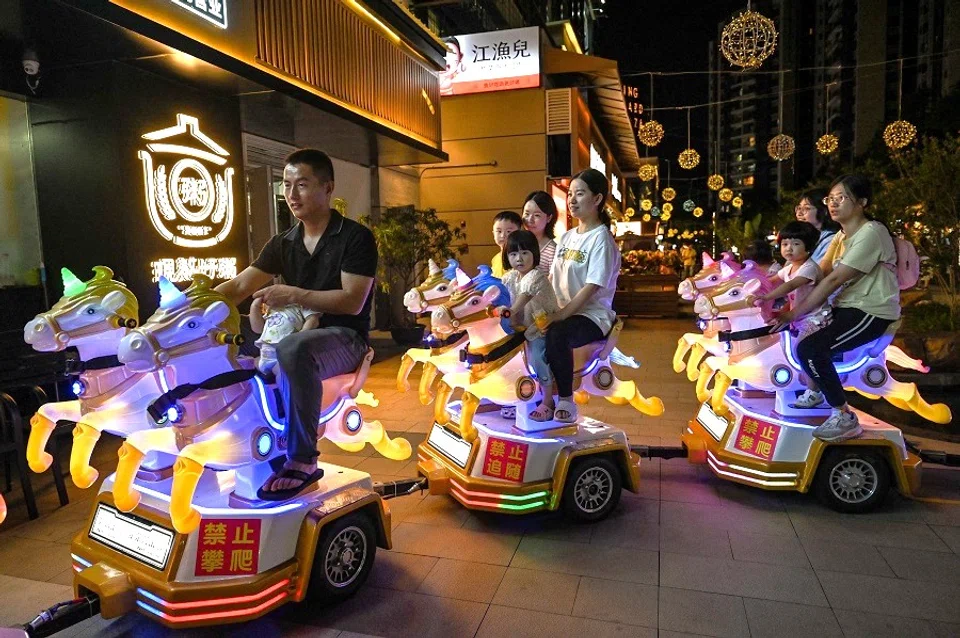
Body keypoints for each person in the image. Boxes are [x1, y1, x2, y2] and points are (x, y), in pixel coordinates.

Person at [215, 149, 377, 499]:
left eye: (302, 185)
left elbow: (352, 300)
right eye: (286, 185)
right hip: (298, 336)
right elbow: (239, 287)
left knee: (292, 347)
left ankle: (303, 459)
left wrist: (294, 295)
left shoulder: (354, 237)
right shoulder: (283, 243)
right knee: (239, 351)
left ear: (327, 187)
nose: (291, 195)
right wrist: (189, 308)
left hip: (344, 338)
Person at [776, 175, 900, 441]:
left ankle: (844, 415)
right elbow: (820, 272)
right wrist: (783, 291)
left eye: (840, 198)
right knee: (803, 342)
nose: (833, 204)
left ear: (862, 202)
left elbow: (834, 279)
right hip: (847, 306)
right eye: (829, 199)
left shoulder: (872, 232)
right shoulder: (841, 236)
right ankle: (819, 393)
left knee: (811, 349)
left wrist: (794, 313)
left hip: (871, 311)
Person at [546, 169, 621, 423]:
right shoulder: (566, 237)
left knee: (557, 334)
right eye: (570, 194)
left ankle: (566, 400)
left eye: (580, 194)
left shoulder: (602, 240)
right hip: (562, 310)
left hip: (592, 316)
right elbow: (552, 279)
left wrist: (560, 315)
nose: (571, 200)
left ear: (597, 199)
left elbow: (592, 287)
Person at [752, 221, 828, 407]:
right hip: (797, 317)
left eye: (796, 244)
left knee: (804, 351)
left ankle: (814, 392)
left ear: (808, 247)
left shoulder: (809, 268)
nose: (789, 249)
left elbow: (789, 285)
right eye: (785, 244)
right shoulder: (789, 268)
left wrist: (766, 296)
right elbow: (772, 280)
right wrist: (752, 288)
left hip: (815, 318)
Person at [499, 230, 560, 420]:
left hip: (541, 327)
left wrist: (507, 311)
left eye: (525, 253)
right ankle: (513, 396)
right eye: (513, 254)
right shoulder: (509, 278)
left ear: (534, 254)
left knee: (537, 359)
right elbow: (499, 293)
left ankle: (548, 401)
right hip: (520, 328)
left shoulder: (536, 277)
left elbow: (519, 303)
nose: (519, 258)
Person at [794, 188, 839, 264]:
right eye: (799, 208)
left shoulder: (830, 240)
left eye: (806, 208)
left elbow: (818, 272)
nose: (799, 213)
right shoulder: (803, 237)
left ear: (824, 211)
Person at [521, 191, 559, 276]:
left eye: (537, 215)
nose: (530, 220)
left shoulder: (553, 251)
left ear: (549, 218)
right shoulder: (518, 243)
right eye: (526, 214)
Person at [490, 210, 522, 278]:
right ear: (493, 233)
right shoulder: (495, 259)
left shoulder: (520, 258)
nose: (502, 235)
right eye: (499, 231)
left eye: (508, 231)